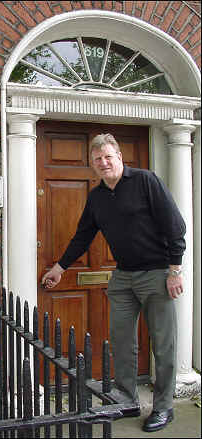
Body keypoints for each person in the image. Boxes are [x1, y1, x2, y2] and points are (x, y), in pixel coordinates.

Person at [41, 133, 186, 433]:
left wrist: (175, 271)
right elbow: (83, 235)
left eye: (108, 156)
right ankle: (126, 398)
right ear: (92, 164)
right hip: (122, 276)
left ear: (120, 157)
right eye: (97, 159)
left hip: (157, 274)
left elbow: (175, 225)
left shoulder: (146, 181)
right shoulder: (96, 196)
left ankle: (163, 407)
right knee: (121, 341)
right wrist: (60, 267)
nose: (103, 163)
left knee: (163, 343)